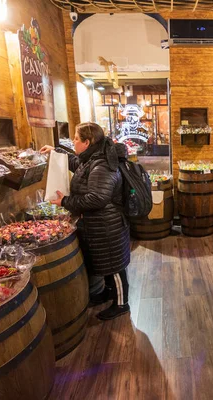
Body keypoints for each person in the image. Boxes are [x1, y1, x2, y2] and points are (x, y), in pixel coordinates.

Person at [40, 123, 131, 320]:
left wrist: (65, 201)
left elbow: (97, 198)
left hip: (108, 225)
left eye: (75, 138)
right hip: (100, 224)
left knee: (115, 267)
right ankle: (109, 294)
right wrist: (55, 152)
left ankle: (122, 304)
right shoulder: (93, 158)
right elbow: (77, 165)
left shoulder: (103, 164)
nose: (73, 141)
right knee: (107, 264)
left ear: (87, 142)